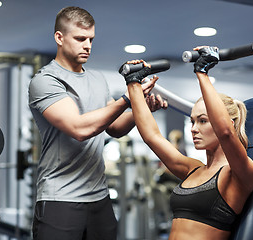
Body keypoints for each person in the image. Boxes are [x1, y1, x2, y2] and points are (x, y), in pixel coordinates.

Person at [28, 6, 167, 240]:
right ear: (59, 38)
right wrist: (127, 99)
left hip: (99, 199)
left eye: (91, 39)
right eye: (80, 39)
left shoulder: (97, 79)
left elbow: (115, 128)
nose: (88, 45)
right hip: (60, 198)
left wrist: (140, 108)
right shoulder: (45, 81)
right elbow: (80, 129)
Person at [123, 46, 253, 239]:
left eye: (203, 121)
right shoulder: (193, 170)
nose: (194, 128)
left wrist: (202, 72)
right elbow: (151, 137)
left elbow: (226, 134)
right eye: (192, 121)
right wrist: (134, 84)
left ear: (228, 123)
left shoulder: (240, 174)